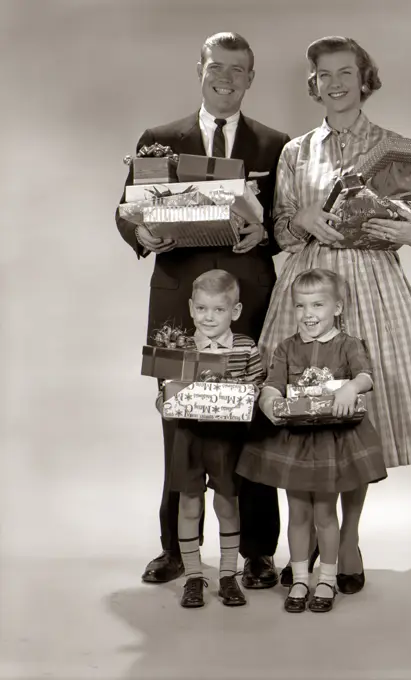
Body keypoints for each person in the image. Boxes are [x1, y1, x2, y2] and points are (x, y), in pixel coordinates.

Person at [257, 36, 411, 594]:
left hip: (371, 285)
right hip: (308, 287)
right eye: (324, 75)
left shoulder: (393, 146)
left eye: (346, 72)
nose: (336, 83)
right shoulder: (296, 151)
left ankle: (346, 538)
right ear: (314, 83)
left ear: (365, 78)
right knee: (304, 404)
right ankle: (309, 538)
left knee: (353, 413)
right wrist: (301, 217)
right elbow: (277, 229)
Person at [115, 32, 289, 589]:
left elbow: (285, 223)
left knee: (254, 419)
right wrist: (142, 229)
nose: (227, 77)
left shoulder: (275, 144)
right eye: (218, 66)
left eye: (239, 70)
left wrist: (265, 232)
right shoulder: (158, 139)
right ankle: (174, 549)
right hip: (178, 300)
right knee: (180, 419)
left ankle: (260, 552)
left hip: (251, 299)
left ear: (250, 78)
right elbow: (125, 209)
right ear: (200, 69)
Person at [237, 269, 387, 613]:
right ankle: (301, 576)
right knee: (298, 513)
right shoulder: (286, 348)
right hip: (296, 443)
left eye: (318, 304)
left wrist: (351, 387)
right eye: (301, 306)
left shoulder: (349, 345)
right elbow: (272, 385)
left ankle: (327, 578)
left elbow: (364, 375)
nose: (309, 314)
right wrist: (268, 402)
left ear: (337, 307)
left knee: (325, 513)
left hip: (332, 443)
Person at [155, 270, 265, 608]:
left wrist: (246, 394)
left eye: (218, 310)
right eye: (202, 309)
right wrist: (164, 402)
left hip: (227, 438)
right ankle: (193, 576)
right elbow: (165, 392)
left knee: (228, 502)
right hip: (188, 436)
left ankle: (229, 574)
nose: (208, 317)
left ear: (234, 311)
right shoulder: (181, 346)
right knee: (189, 502)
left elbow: (258, 386)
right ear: (190, 307)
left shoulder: (246, 347)